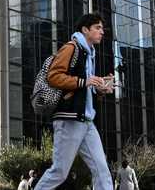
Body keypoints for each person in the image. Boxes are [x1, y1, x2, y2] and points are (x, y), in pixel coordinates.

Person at [32, 13, 118, 190]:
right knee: (59, 172)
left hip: (86, 121)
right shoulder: (71, 48)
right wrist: (84, 82)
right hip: (69, 119)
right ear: (85, 30)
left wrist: (100, 89)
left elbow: (84, 90)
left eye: (102, 28)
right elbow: (54, 76)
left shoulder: (89, 53)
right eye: (98, 28)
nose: (102, 32)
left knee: (102, 171)